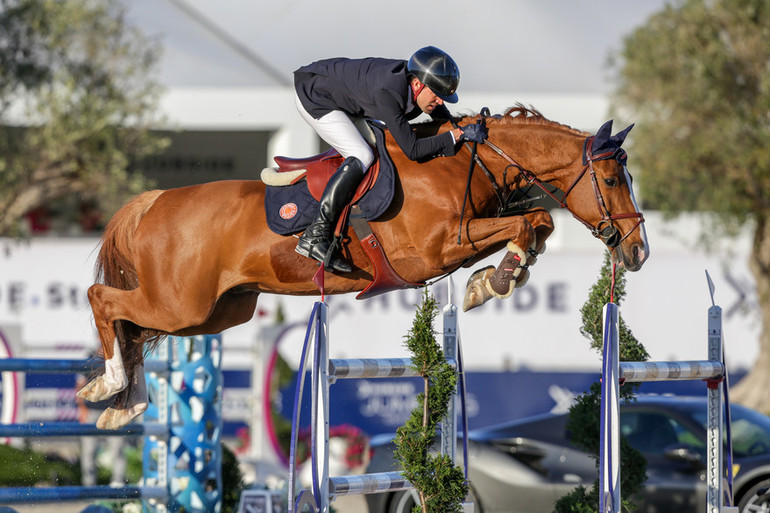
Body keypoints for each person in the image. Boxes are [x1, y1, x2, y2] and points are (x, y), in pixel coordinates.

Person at [293, 46, 487, 273]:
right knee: (362, 154)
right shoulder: (389, 91)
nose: (440, 102)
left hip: (343, 97)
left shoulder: (417, 84)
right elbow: (413, 150)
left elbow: (441, 117)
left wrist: (462, 128)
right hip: (315, 96)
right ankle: (315, 235)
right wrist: (459, 134)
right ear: (417, 84)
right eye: (437, 95)